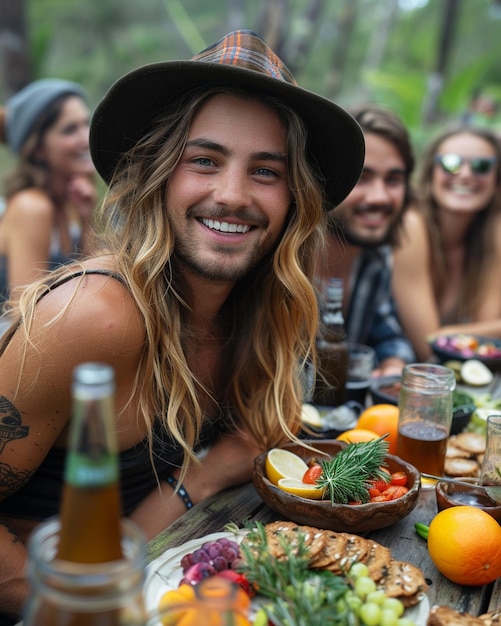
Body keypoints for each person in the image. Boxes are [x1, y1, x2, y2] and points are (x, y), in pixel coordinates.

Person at [0, 30, 364, 622]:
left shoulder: (252, 317)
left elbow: (123, 540)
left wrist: (213, 467)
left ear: (294, 200)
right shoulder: (98, 317)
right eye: (204, 161)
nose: (232, 195)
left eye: (266, 172)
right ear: (159, 173)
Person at [315, 104, 416, 377]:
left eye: (393, 180)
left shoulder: (375, 259)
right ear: (323, 179)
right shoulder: (281, 260)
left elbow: (387, 335)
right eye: (362, 177)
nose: (379, 197)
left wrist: (394, 364)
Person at [393, 125, 501, 361]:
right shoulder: (412, 225)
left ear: (496, 182)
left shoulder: (489, 234)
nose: (464, 174)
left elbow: (485, 346)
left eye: (481, 166)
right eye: (450, 163)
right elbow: (429, 344)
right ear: (431, 174)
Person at [0, 78, 97, 308]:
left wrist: (87, 218)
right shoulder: (31, 207)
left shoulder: (72, 201)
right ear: (38, 149)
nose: (87, 138)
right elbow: (22, 316)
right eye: (70, 129)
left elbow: (97, 285)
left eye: (86, 124)